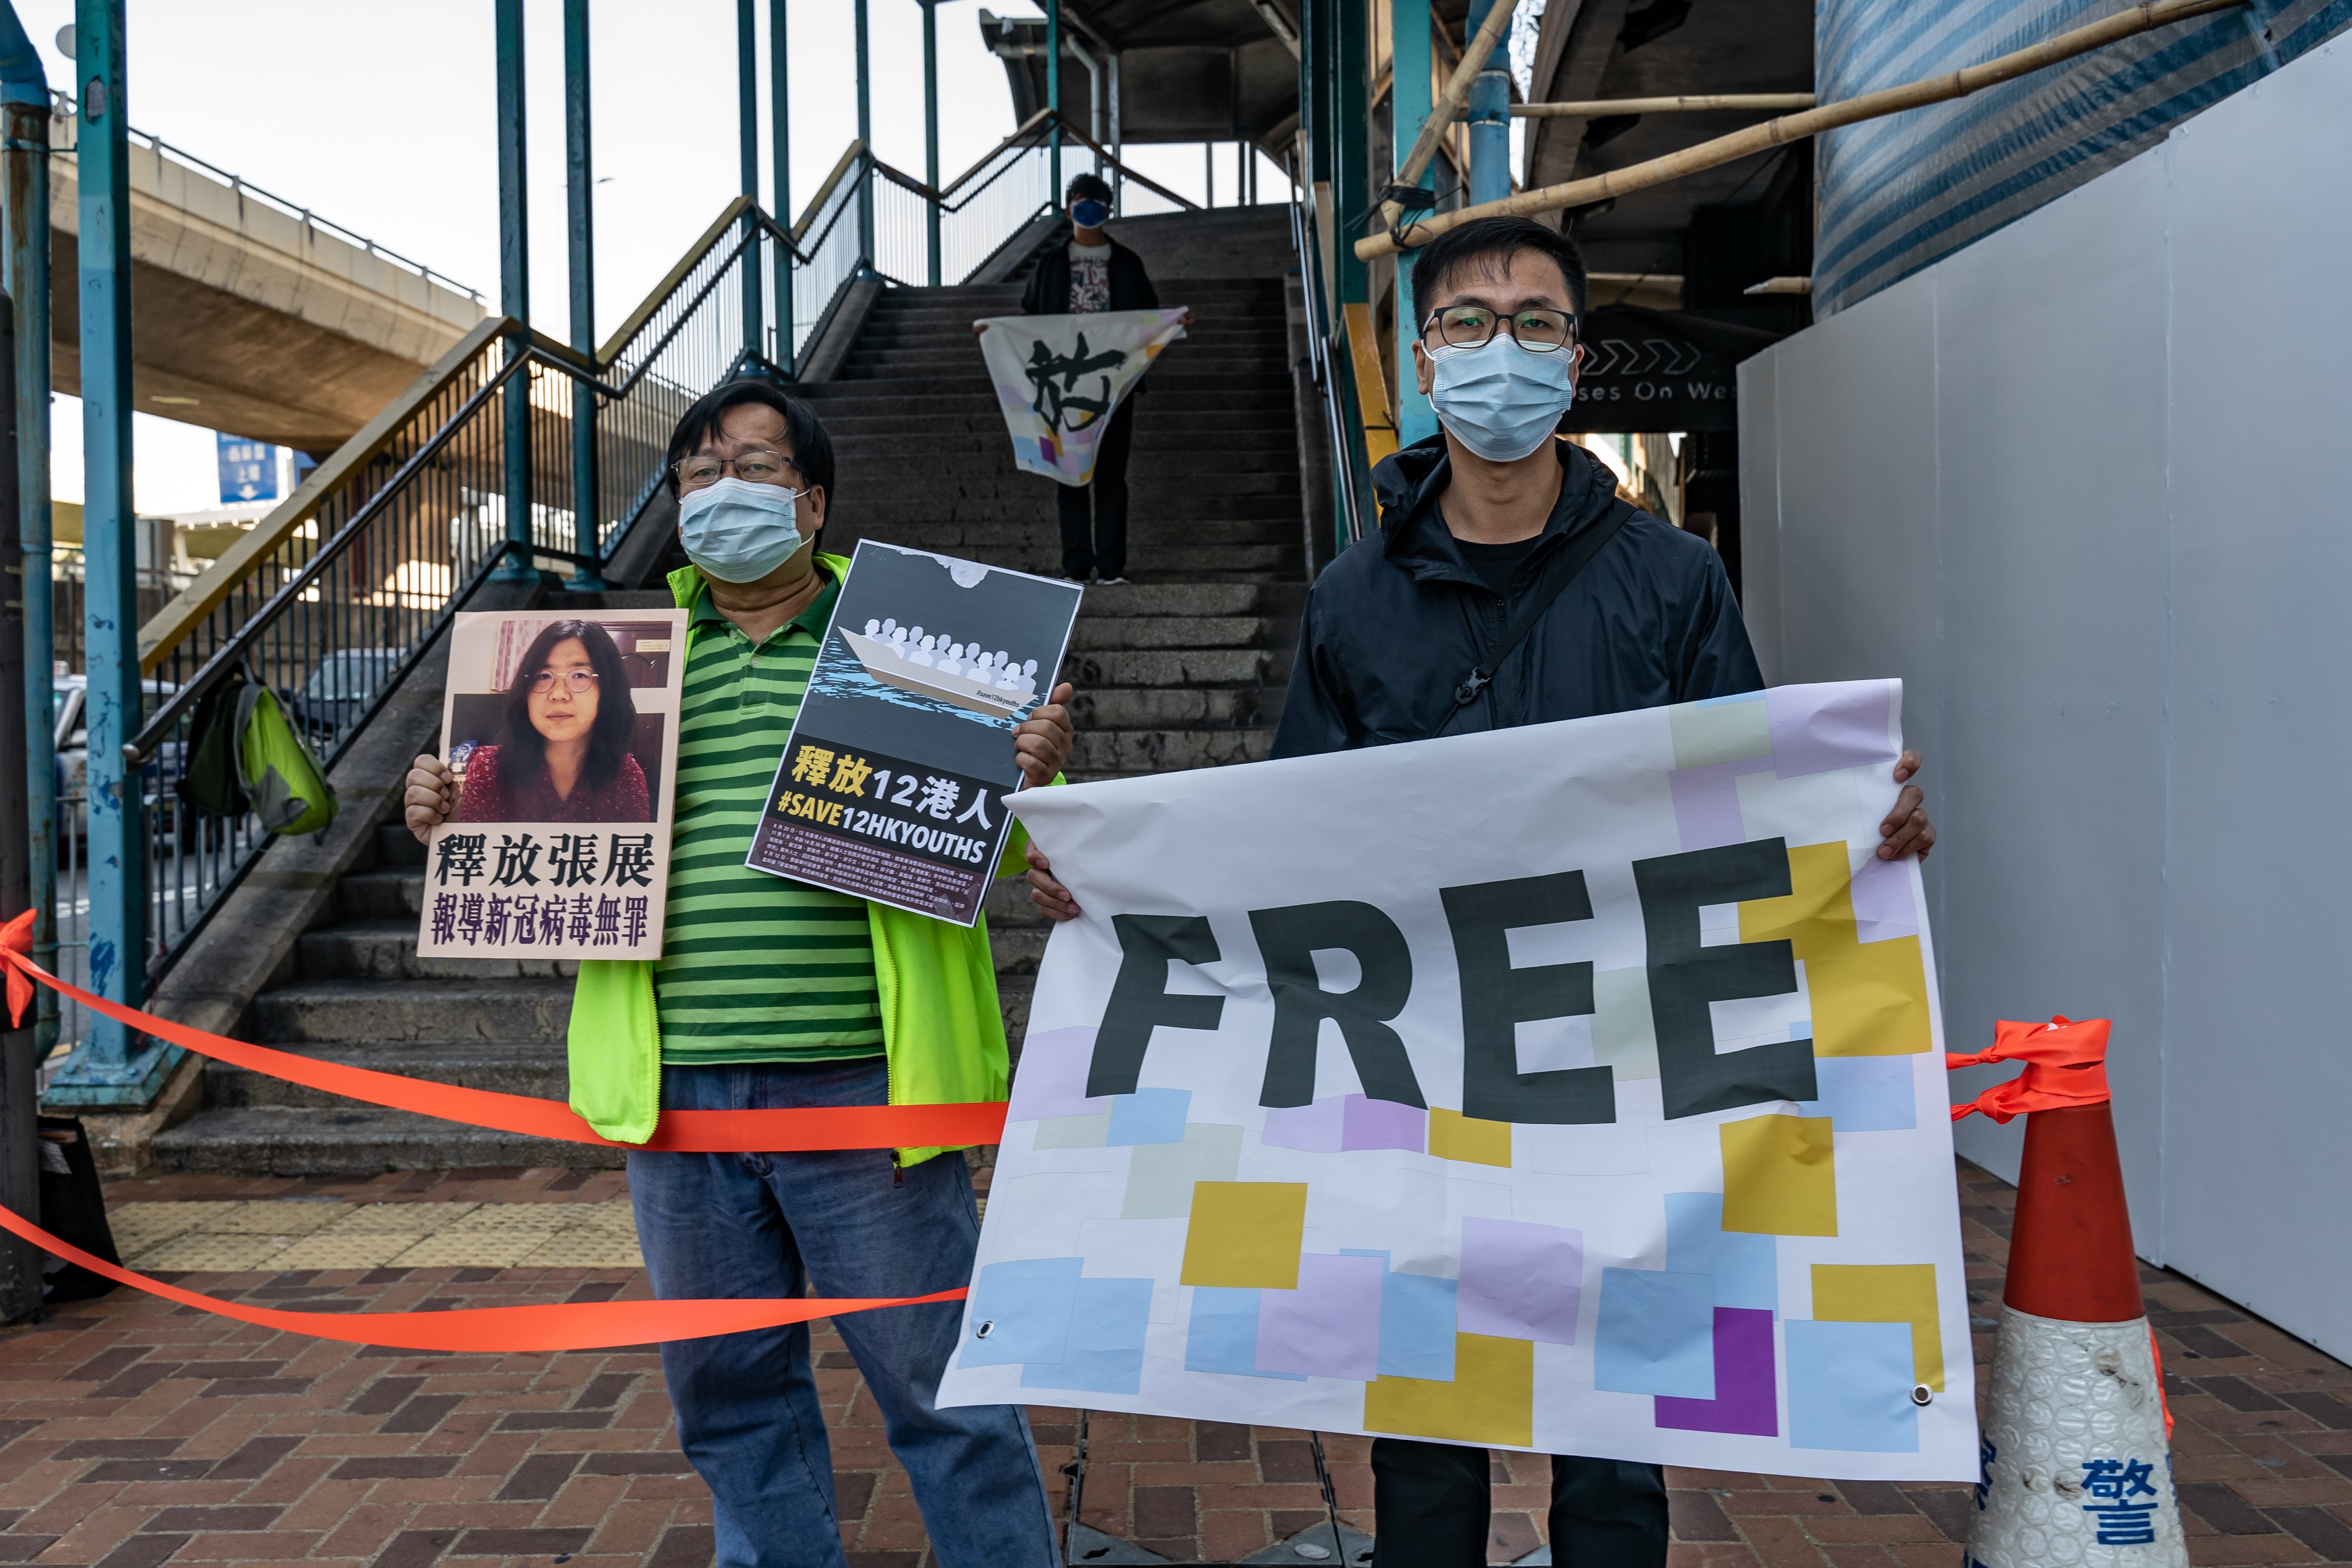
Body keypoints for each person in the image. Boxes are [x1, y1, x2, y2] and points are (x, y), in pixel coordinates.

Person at [1024, 215, 1939, 1566]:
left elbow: (1746, 810)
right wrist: (1129, 896)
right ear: (1419, 359)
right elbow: (1291, 845)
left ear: (1575, 362)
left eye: (1532, 322)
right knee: (1424, 1417)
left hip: (1620, 1073)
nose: (1496, 350)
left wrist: (1858, 832)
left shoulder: (1673, 581)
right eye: (1464, 322)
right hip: (1424, 1085)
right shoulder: (1353, 600)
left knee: (1619, 1421)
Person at [403, 380, 1076, 1568]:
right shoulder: (617, 667)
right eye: (699, 472)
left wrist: (1037, 772)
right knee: (726, 1395)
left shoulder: (917, 652)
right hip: (680, 1104)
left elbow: (1023, 847)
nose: (724, 492)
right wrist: (453, 808)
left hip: (870, 1095)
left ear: (812, 503)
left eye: (757, 469)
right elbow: (536, 832)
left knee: (943, 1390)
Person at [1003, 172, 1184, 586]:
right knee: (1070, 473)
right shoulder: (1051, 264)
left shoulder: (1127, 264)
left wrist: (1176, 322)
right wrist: (994, 333)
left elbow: (1148, 317)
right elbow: (1031, 320)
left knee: (1111, 476)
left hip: (1115, 387)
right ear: (1068, 208)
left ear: (1109, 211)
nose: (1087, 211)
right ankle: (1076, 566)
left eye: (1096, 204)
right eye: (1080, 203)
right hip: (1063, 390)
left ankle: (1111, 567)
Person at [454, 618, 651, 823]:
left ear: (608, 691)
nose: (558, 694)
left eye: (580, 675)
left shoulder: (626, 774)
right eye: (543, 676)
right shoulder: (488, 767)